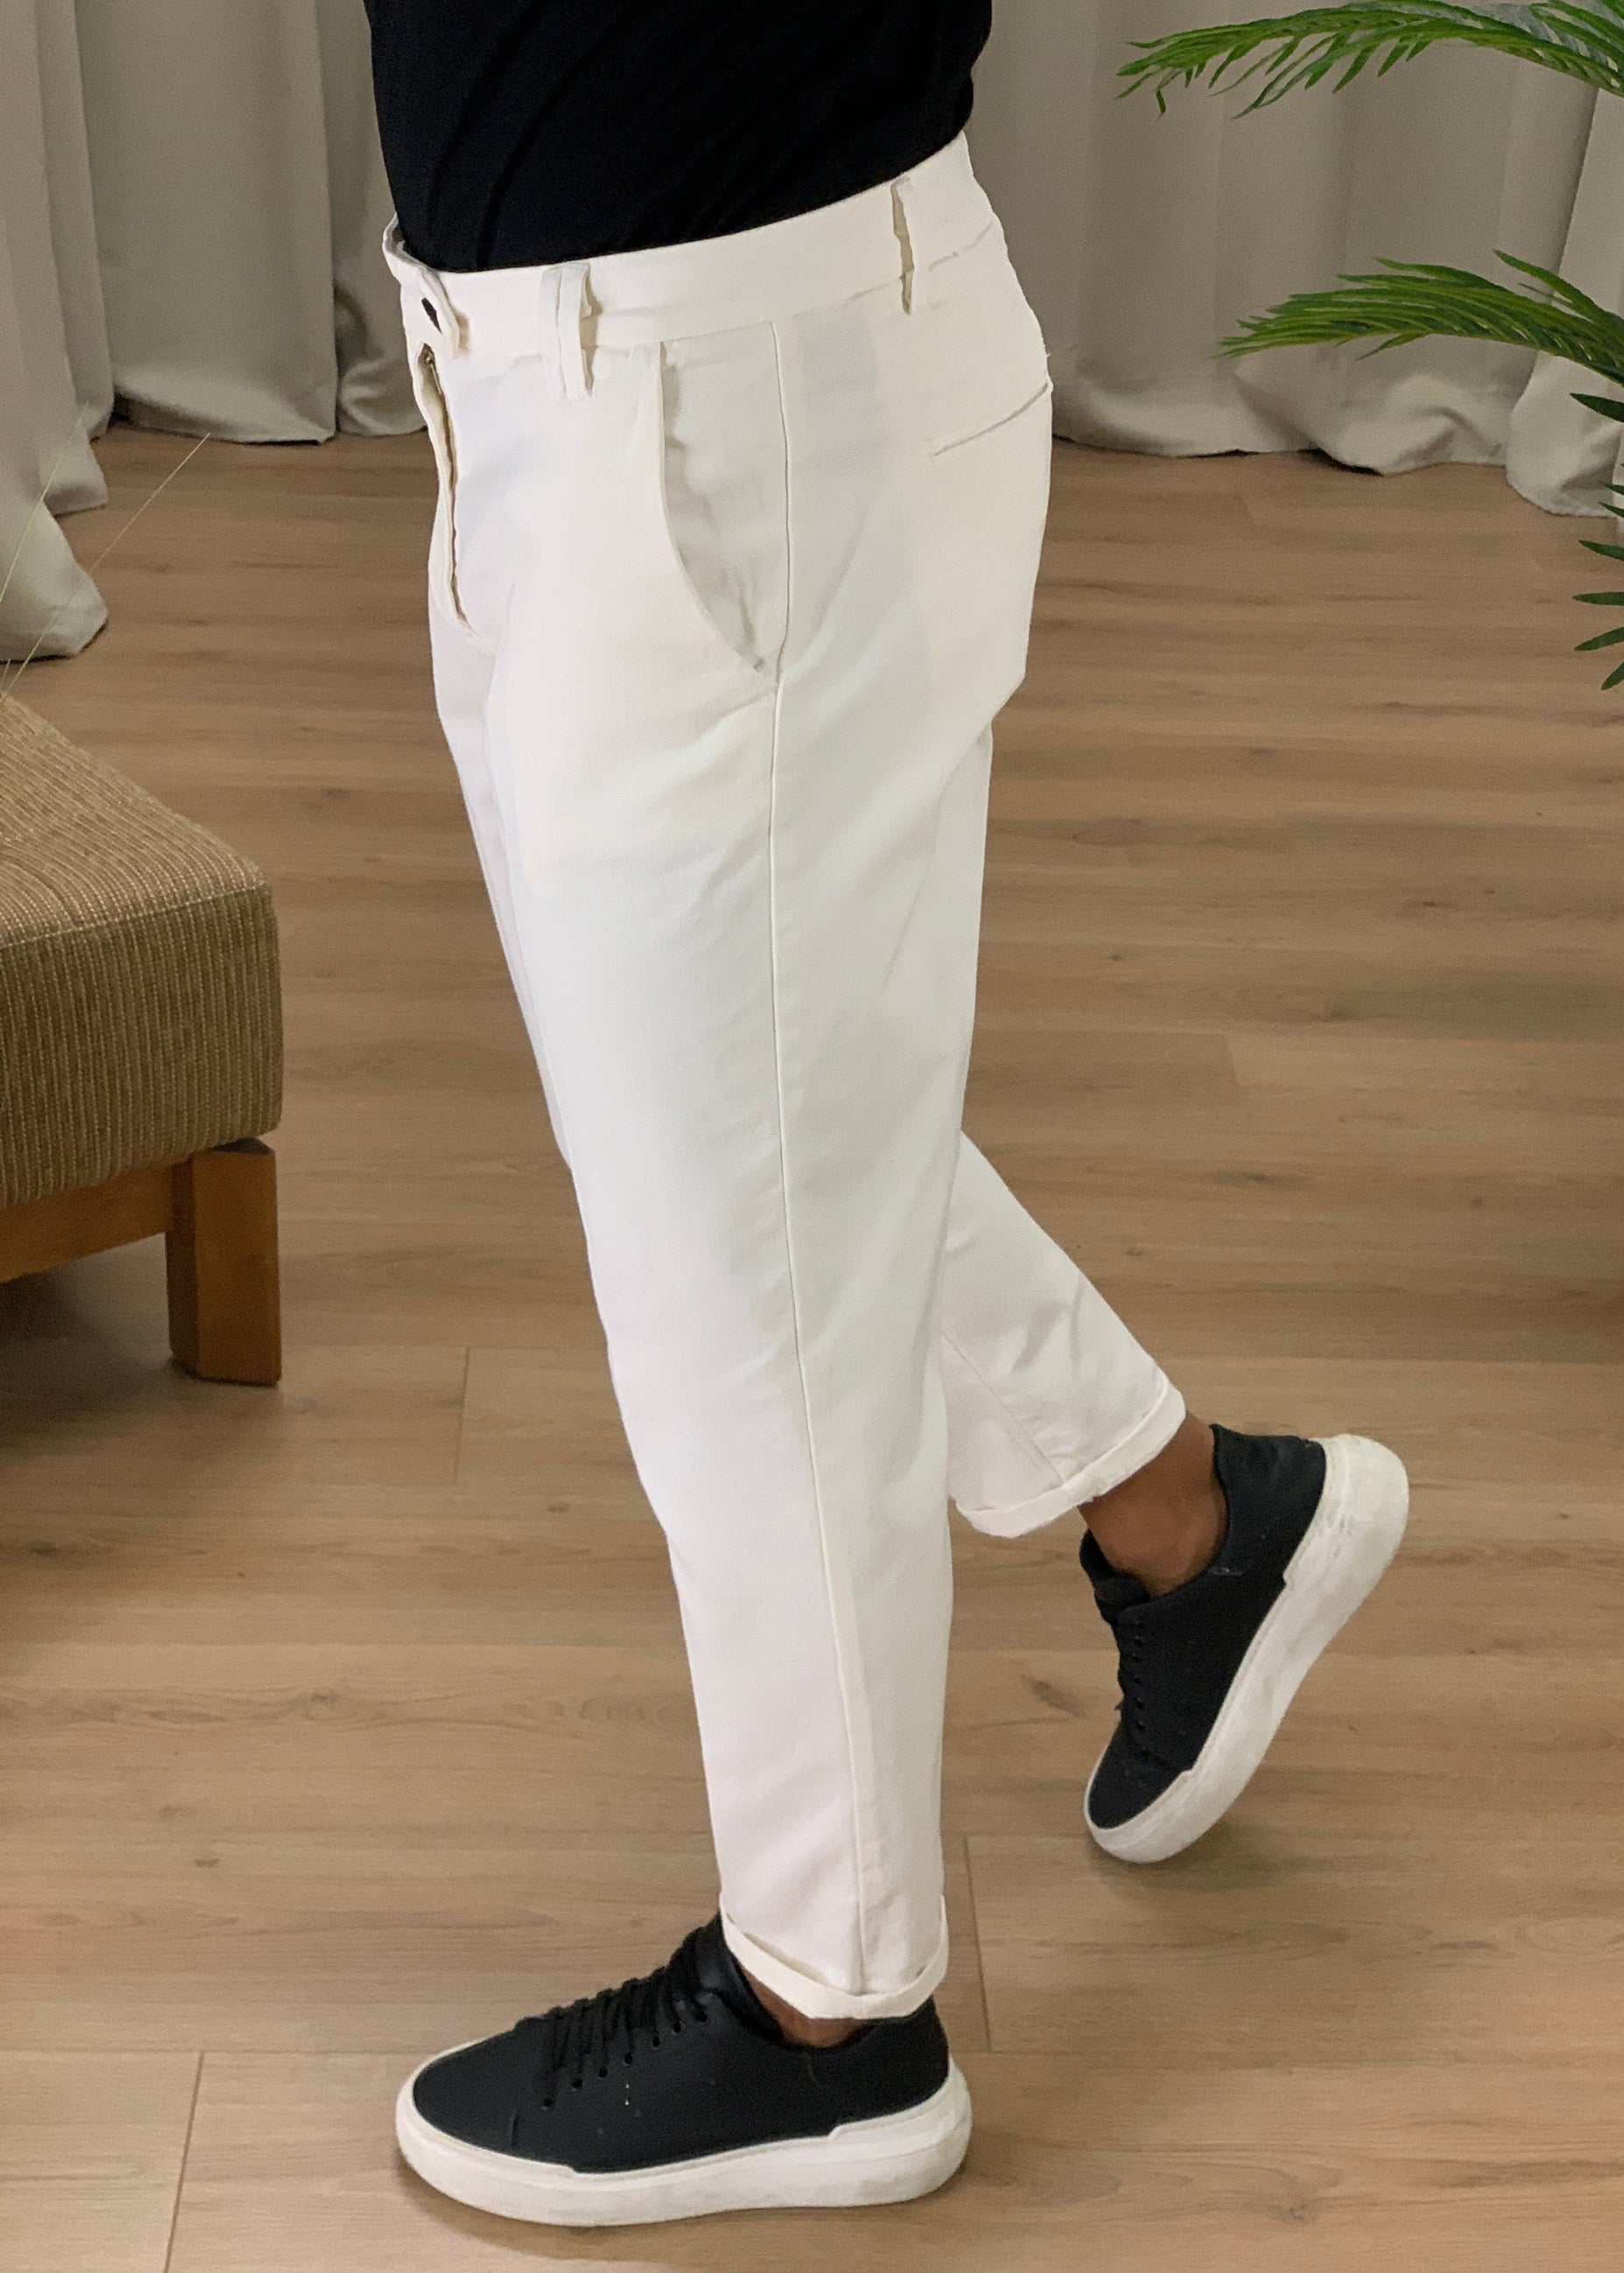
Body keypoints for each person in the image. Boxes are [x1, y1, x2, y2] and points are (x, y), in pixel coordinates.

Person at [363, 0, 1408, 2231]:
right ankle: (1186, 1514)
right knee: (733, 1131)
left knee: (735, 1252)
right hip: (566, 392)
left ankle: (827, 2019)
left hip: (727, 405)